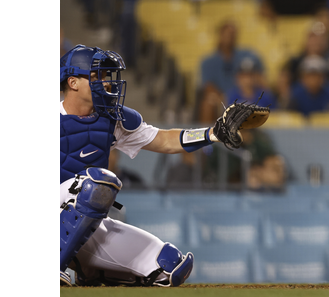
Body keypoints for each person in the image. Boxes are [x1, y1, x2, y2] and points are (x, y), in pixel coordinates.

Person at [59, 44, 232, 286]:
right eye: (97, 75)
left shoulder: (112, 118)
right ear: (73, 82)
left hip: (85, 225)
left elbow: (165, 140)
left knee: (170, 265)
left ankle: (90, 270)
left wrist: (212, 133)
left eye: (107, 76)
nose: (107, 82)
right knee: (97, 183)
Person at [197, 21, 263, 123]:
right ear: (220, 35)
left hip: (244, 94)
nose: (230, 37)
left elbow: (259, 76)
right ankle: (207, 136)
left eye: (233, 34)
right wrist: (225, 98)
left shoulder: (246, 55)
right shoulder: (208, 61)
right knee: (208, 103)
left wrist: (246, 90)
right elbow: (208, 87)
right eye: (227, 34)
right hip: (222, 99)